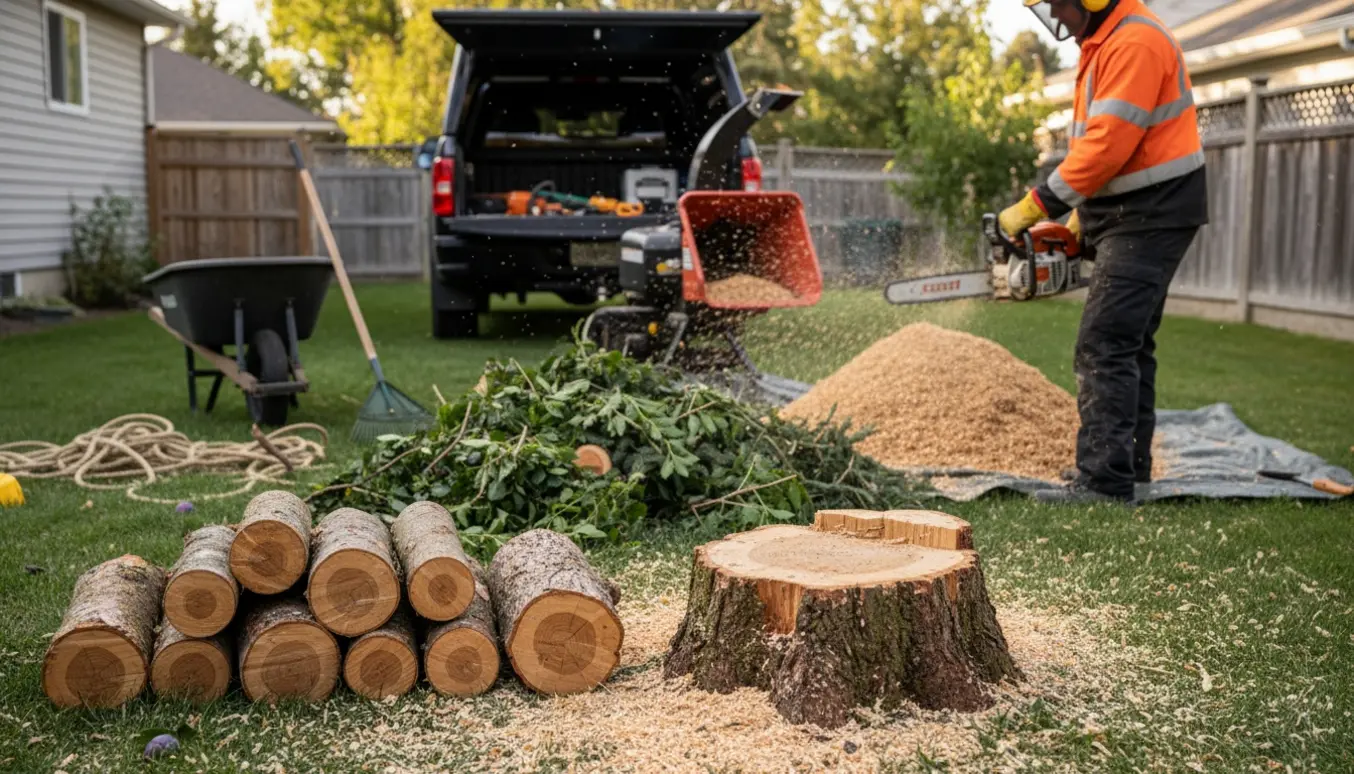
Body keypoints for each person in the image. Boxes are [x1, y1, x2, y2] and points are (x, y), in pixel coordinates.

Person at [1000, 0, 1208, 504]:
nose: (1058, 17)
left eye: (1059, 5)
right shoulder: (1106, 42)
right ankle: (1130, 469)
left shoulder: (1134, 41)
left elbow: (1106, 147)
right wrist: (1078, 220)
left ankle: (1104, 481)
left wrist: (1036, 205)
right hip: (1135, 211)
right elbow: (1107, 150)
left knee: (1105, 343)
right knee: (1130, 344)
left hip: (1151, 214)